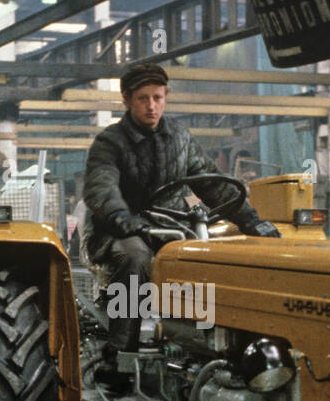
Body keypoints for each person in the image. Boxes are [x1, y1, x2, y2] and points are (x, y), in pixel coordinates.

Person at [82, 61, 279, 361]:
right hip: (117, 231)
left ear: (166, 97)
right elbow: (102, 186)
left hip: (170, 229)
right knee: (135, 258)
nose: (151, 106)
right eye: (142, 98)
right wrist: (120, 217)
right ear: (126, 100)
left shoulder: (180, 138)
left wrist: (252, 221)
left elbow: (211, 183)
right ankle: (120, 353)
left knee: (210, 261)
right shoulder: (109, 142)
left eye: (157, 98)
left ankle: (212, 349)